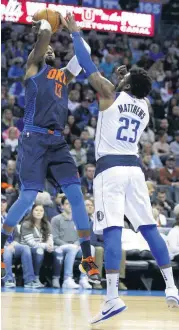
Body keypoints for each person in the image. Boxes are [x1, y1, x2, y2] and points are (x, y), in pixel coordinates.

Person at [65, 13, 179, 324]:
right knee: (149, 228)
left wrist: (76, 34)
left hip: (110, 170)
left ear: (125, 83)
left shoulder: (109, 96)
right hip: (135, 169)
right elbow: (129, 93)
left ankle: (113, 297)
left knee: (113, 230)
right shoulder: (143, 107)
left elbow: (89, 69)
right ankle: (172, 286)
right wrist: (126, 79)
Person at [1, 17, 100, 284]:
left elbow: (86, 54)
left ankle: (87, 257)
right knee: (28, 196)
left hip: (57, 142)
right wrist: (46, 22)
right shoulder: (33, 67)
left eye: (53, 50)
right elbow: (44, 34)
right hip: (34, 138)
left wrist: (74, 33)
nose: (50, 50)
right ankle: (1, 244)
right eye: (46, 48)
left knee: (77, 196)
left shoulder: (63, 75)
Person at [51, 196, 94, 289]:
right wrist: (70, 245)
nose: (70, 205)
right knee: (72, 248)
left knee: (91, 248)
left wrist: (78, 244)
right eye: (67, 203)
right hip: (59, 247)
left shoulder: (79, 219)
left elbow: (83, 236)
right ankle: (67, 279)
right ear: (62, 206)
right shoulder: (56, 219)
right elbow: (55, 238)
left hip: (75, 246)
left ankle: (84, 278)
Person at [20, 204, 62, 288]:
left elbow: (50, 238)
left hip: (44, 246)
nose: (39, 212)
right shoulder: (26, 224)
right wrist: (46, 246)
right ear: (32, 212)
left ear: (44, 213)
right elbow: (31, 243)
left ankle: (56, 278)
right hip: (28, 248)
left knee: (59, 251)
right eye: (36, 210)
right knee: (39, 251)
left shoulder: (46, 224)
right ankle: (36, 277)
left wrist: (50, 245)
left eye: (41, 210)